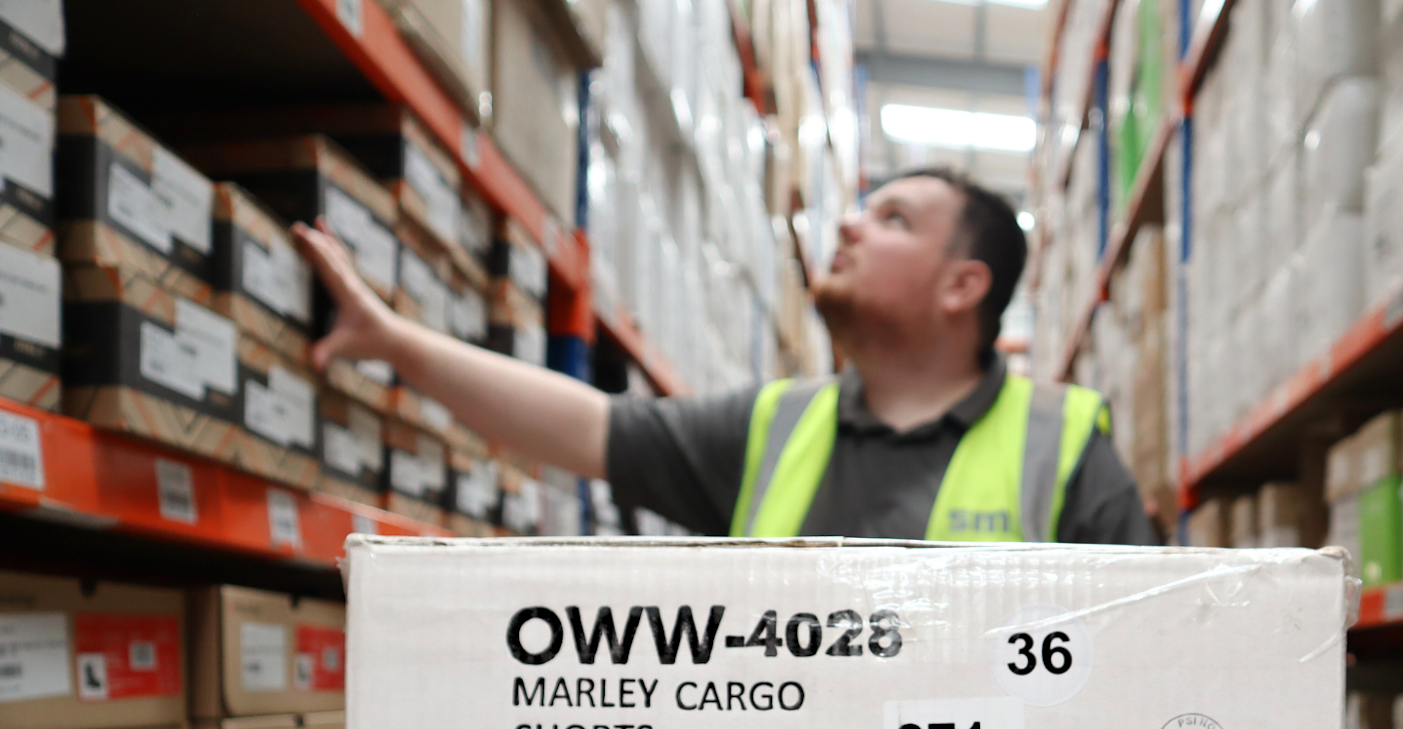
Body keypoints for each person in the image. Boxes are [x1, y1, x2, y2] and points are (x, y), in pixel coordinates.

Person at [294, 167, 1157, 545]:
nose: (849, 224)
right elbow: (583, 426)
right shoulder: (776, 425)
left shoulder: (1066, 445)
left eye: (893, 219)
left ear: (963, 286)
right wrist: (395, 340)